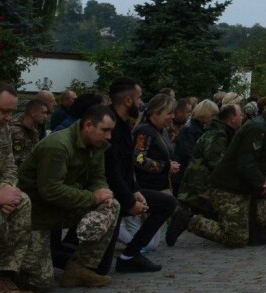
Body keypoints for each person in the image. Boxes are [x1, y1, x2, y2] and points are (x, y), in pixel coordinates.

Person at [19, 103, 121, 288]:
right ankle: (9, 264)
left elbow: (97, 178)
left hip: (64, 206)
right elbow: (50, 190)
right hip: (36, 215)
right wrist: (92, 198)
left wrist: (103, 193)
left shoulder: (97, 145)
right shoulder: (58, 146)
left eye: (110, 131)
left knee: (111, 205)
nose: (109, 136)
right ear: (88, 126)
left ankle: (80, 268)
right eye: (105, 130)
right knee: (39, 283)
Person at [188, 95, 266, 247]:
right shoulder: (257, 128)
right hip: (229, 188)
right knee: (237, 238)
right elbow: (246, 164)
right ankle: (188, 219)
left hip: (249, 186)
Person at [102, 79, 180, 272]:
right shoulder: (140, 130)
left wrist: (134, 190)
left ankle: (130, 255)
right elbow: (134, 160)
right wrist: (163, 167)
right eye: (139, 98)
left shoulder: (154, 131)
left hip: (131, 187)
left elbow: (126, 165)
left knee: (166, 206)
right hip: (117, 189)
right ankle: (126, 252)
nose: (141, 103)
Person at [0, 82, 38, 293]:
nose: (8, 117)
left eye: (11, 112)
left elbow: (9, 166)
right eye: (3, 111)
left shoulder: (2, 131)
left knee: (22, 200)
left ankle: (0, 279)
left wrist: (7, 191)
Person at [177, 103, 241, 215]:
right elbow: (217, 165)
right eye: (240, 115)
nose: (242, 117)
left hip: (203, 191)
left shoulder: (225, 133)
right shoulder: (217, 135)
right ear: (232, 118)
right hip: (199, 192)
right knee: (190, 221)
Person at [174, 99, 217, 187]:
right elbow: (189, 154)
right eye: (212, 115)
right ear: (205, 114)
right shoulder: (190, 130)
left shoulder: (199, 128)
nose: (214, 118)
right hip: (184, 176)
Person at [8, 97, 48, 169]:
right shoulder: (16, 130)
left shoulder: (34, 129)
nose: (45, 116)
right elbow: (18, 159)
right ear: (33, 113)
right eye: (43, 113)